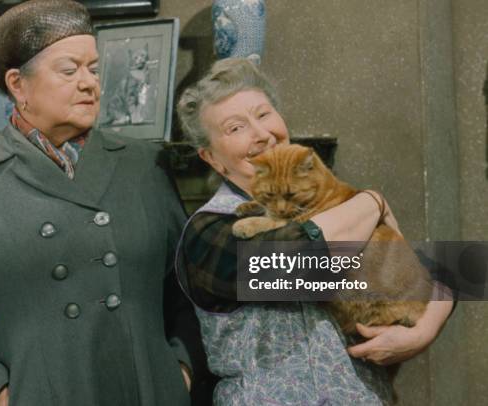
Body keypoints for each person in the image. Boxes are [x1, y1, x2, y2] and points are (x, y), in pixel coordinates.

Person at [0, 1, 202, 405]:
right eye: (69, 70)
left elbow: (187, 287)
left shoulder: (145, 163)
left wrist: (182, 370)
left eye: (94, 69)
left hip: (150, 392)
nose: (90, 84)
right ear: (17, 84)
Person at [175, 58, 454, 405]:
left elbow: (443, 272)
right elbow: (304, 262)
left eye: (263, 114)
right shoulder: (207, 232)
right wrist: (373, 201)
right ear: (212, 158)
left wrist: (425, 328)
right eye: (235, 128)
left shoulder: (327, 198)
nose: (261, 134)